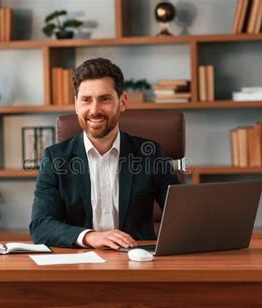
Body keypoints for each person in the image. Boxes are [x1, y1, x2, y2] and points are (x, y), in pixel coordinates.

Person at [30, 58, 179, 249]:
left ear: (122, 101)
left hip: (138, 262)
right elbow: (40, 225)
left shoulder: (149, 154)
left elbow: (180, 216)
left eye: (104, 99)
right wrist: (90, 237)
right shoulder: (55, 158)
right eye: (86, 100)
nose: (94, 110)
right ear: (76, 105)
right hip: (78, 265)